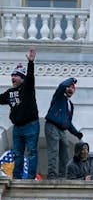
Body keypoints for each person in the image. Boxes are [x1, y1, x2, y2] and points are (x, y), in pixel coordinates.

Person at [0, 48, 39, 179]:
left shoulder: (27, 88)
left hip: (31, 125)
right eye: (12, 75)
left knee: (32, 151)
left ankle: (31, 178)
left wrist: (31, 63)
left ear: (22, 78)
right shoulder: (9, 92)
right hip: (17, 128)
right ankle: (17, 178)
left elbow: (31, 78)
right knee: (17, 153)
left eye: (16, 75)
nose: (13, 77)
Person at [44, 77, 82, 179]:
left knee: (65, 152)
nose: (71, 89)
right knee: (54, 151)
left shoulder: (70, 105)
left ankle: (63, 175)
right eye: (69, 87)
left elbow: (68, 122)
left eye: (73, 88)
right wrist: (72, 80)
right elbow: (61, 86)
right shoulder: (59, 96)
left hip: (62, 130)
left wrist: (76, 133)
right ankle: (52, 174)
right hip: (52, 126)